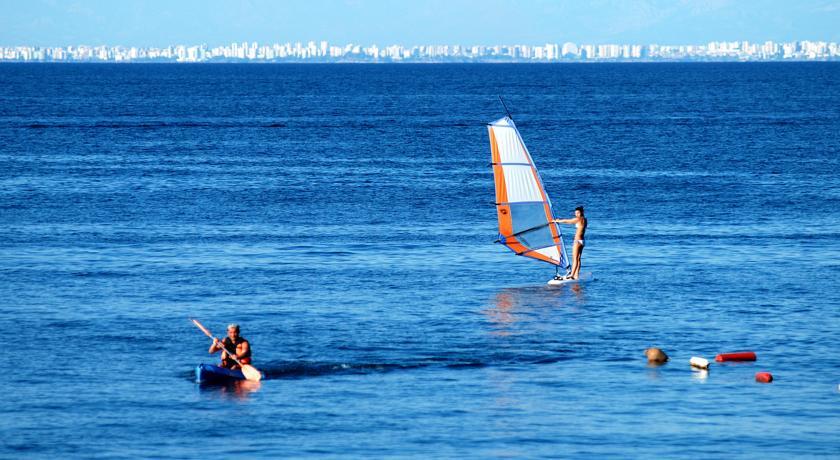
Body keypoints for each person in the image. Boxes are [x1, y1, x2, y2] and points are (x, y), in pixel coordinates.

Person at [552, 206, 587, 280]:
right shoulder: (585, 219)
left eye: (578, 213)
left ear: (581, 212)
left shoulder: (578, 219)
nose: (576, 214)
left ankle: (572, 275)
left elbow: (568, 221)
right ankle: (576, 274)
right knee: (578, 258)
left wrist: (558, 221)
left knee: (575, 259)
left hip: (577, 241)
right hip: (582, 241)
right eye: (575, 213)